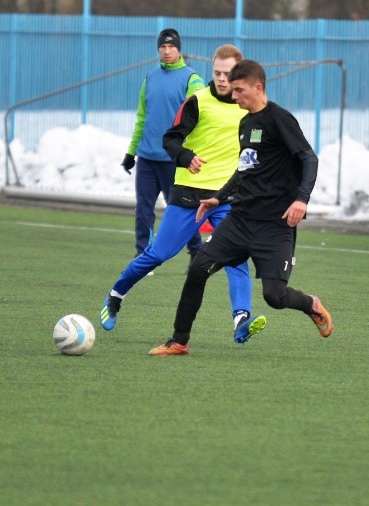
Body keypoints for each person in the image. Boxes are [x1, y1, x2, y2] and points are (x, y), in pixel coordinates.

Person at [149, 59, 333, 357]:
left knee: (274, 296)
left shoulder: (280, 120)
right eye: (232, 91)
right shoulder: (246, 123)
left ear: (258, 88)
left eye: (239, 91)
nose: (233, 97)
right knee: (198, 269)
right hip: (240, 220)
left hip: (275, 224)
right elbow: (244, 170)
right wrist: (218, 198)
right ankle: (179, 340)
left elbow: (309, 159)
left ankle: (311, 304)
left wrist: (302, 199)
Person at [101, 44, 266, 344]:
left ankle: (241, 319)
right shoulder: (197, 102)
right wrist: (186, 156)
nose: (221, 79)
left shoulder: (247, 108)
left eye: (227, 74)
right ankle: (115, 295)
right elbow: (171, 139)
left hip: (226, 199)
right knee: (159, 254)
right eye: (216, 72)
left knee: (237, 257)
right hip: (190, 195)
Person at [122, 28, 206, 258]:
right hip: (147, 158)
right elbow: (142, 118)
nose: (167, 51)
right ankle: (143, 254)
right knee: (143, 210)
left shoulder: (192, 79)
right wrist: (131, 153)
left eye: (171, 47)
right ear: (158, 49)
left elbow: (200, 118)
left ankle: (196, 252)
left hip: (174, 160)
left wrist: (189, 153)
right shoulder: (150, 78)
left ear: (179, 49)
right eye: (163, 47)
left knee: (182, 211)